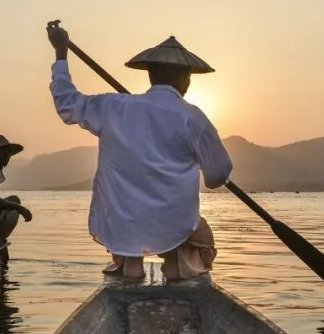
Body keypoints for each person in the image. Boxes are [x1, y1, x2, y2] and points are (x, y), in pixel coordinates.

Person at [46, 22, 232, 280]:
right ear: (185, 78)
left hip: (121, 227)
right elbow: (218, 176)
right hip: (174, 226)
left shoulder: (114, 107)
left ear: (150, 75)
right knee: (201, 242)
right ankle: (178, 270)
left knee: (128, 222)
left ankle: (128, 265)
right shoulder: (193, 117)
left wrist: (61, 53)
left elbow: (67, 103)